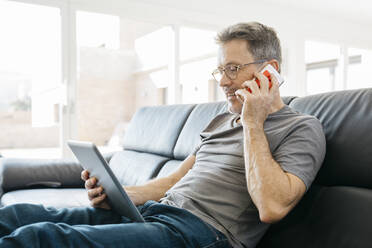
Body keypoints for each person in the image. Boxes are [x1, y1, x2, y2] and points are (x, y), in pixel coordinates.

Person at [0, 22, 326, 248]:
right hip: (155, 213)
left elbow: (271, 207)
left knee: (41, 238)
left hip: (200, 234)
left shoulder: (301, 127)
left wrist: (253, 123)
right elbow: (175, 180)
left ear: (270, 69)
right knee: (19, 215)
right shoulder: (219, 121)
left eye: (233, 68)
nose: (223, 81)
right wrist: (120, 194)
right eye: (220, 70)